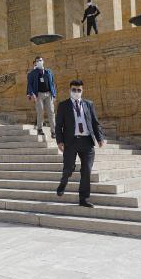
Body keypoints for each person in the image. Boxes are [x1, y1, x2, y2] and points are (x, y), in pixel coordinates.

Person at [55, 80, 105, 208]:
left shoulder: (89, 104)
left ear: (82, 91)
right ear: (70, 90)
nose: (76, 92)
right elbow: (59, 125)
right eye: (74, 89)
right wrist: (59, 141)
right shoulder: (63, 105)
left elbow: (95, 122)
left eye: (79, 90)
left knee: (86, 170)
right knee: (68, 168)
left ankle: (83, 198)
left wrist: (99, 138)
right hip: (71, 142)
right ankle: (64, 181)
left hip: (87, 141)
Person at [27, 56, 57, 138]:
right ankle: (39, 129)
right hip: (38, 94)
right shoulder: (32, 73)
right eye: (37, 61)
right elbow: (29, 85)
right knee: (40, 112)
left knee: (51, 112)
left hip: (48, 94)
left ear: (43, 61)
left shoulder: (48, 72)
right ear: (35, 63)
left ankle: (53, 131)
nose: (39, 62)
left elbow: (53, 84)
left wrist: (54, 94)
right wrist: (31, 93)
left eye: (40, 60)